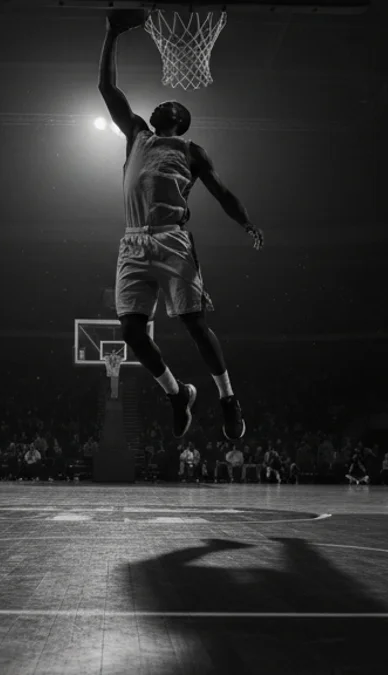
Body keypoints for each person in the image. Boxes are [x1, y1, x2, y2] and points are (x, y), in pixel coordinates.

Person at [98, 10, 264, 440]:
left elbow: (222, 192)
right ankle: (176, 393)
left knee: (194, 324)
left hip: (172, 241)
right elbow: (107, 89)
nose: (159, 104)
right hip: (133, 242)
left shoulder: (191, 150)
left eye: (168, 105)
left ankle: (228, 398)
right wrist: (112, 34)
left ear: (179, 118)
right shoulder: (137, 133)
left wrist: (246, 222)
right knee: (131, 331)